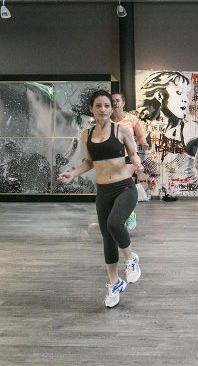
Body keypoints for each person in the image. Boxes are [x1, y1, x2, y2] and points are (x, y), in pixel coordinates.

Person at [57, 90, 143, 308]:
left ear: (111, 108)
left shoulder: (122, 129)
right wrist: (73, 173)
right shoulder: (86, 135)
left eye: (107, 105)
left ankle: (131, 259)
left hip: (125, 187)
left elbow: (133, 154)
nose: (103, 109)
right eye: (99, 106)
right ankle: (114, 284)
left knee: (114, 223)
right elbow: (89, 162)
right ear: (91, 109)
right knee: (107, 237)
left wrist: (138, 164)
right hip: (104, 191)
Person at [111, 92, 150, 231]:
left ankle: (130, 214)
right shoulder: (107, 120)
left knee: (124, 186)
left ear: (123, 103)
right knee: (115, 189)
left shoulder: (131, 119)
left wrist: (144, 144)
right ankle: (123, 214)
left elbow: (140, 135)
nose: (115, 103)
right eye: (112, 101)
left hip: (129, 156)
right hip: (112, 159)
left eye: (117, 100)